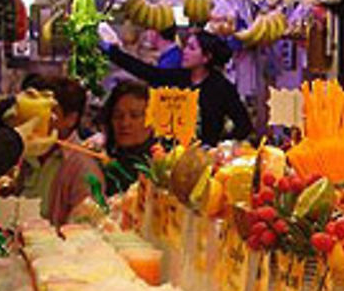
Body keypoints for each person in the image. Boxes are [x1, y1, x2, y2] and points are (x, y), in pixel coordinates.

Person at [102, 28, 253, 146]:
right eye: (186, 46)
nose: (185, 52)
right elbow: (147, 72)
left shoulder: (221, 88)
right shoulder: (178, 78)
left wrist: (218, 145)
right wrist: (112, 52)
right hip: (170, 154)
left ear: (206, 57)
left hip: (204, 161)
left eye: (191, 48)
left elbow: (244, 125)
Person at [16, 73, 105, 227]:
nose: (37, 119)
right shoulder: (31, 153)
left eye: (49, 111)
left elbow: (87, 230)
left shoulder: (85, 169)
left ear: (71, 118)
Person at [100, 78, 154, 194]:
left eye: (134, 116)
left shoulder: (161, 169)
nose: (124, 123)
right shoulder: (102, 163)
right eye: (118, 115)